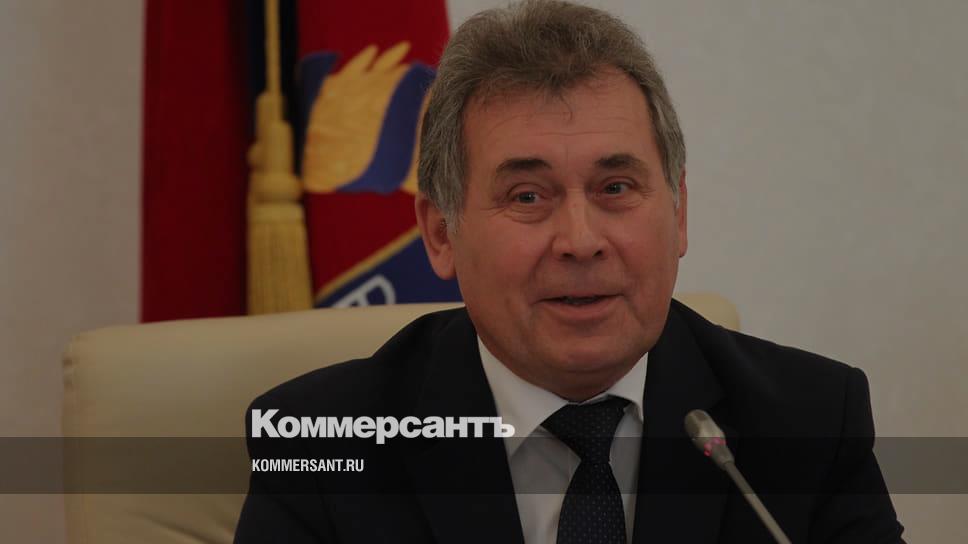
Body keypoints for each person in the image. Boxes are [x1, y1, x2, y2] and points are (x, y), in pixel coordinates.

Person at [234, 1, 904, 542]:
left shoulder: (809, 422)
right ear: (441, 234)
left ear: (678, 213)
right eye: (528, 196)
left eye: (615, 188)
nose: (581, 242)